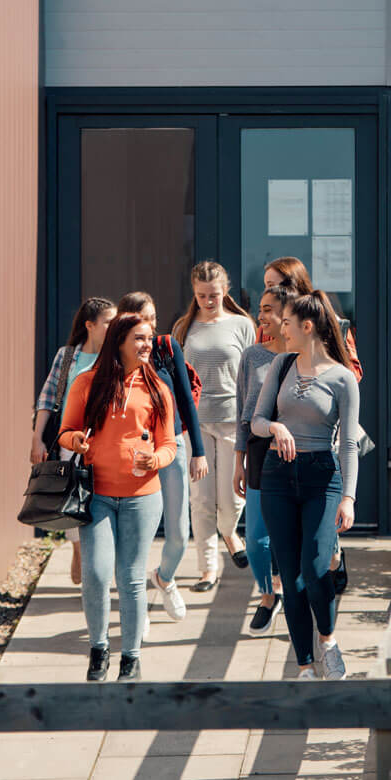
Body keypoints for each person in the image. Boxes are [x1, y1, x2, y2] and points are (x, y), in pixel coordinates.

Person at [59, 314, 177, 683]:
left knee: (130, 577)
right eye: (139, 338)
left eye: (149, 338)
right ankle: (99, 649)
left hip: (143, 497)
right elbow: (65, 431)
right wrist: (75, 440)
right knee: (95, 573)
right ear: (120, 341)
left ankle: (131, 658)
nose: (147, 345)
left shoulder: (158, 388)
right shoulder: (87, 382)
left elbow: (169, 444)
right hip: (98, 495)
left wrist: (156, 458)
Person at [251, 291, 359, 680]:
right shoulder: (280, 365)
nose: (281, 330)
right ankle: (304, 666)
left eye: (286, 324)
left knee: (315, 568)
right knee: (290, 577)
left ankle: (327, 641)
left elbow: (348, 443)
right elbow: (257, 420)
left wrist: (348, 497)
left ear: (307, 326)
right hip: (277, 475)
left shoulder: (344, 378)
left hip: (321, 478)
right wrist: (275, 426)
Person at [262, 257, 359, 593]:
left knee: (320, 535)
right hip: (282, 439)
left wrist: (321, 381)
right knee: (285, 535)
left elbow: (351, 370)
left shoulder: (322, 320)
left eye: (277, 284)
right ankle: (282, 590)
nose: (270, 291)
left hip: (325, 437)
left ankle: (330, 559)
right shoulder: (270, 322)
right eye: (266, 285)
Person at [115, 291, 205, 621]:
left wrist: (199, 451)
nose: (152, 325)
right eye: (143, 319)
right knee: (135, 535)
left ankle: (164, 578)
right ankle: (136, 614)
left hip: (173, 448)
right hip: (133, 453)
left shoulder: (167, 348)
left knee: (180, 534)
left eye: (154, 317)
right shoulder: (115, 359)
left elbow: (186, 400)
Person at [173, 261, 256, 592]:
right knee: (202, 498)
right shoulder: (185, 326)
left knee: (233, 497)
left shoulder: (242, 325)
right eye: (202, 295)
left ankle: (229, 532)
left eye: (214, 295)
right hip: (197, 422)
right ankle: (207, 570)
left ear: (226, 291)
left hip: (234, 421)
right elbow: (177, 374)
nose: (208, 301)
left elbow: (253, 372)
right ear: (194, 293)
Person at [31, 297, 117, 583]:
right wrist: (37, 439)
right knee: (72, 497)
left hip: (107, 441)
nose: (113, 326)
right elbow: (47, 397)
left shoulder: (117, 355)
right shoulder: (68, 356)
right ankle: (78, 547)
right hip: (70, 440)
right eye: (108, 321)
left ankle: (101, 557)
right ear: (90, 325)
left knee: (103, 500)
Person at [232, 284, 297, 634]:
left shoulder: (309, 358)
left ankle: (289, 593)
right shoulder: (253, 355)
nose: (261, 315)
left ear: (288, 315)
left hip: (301, 452)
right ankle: (269, 593)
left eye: (268, 309)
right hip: (259, 453)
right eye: (260, 308)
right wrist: (238, 462)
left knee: (294, 534)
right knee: (256, 540)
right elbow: (243, 412)